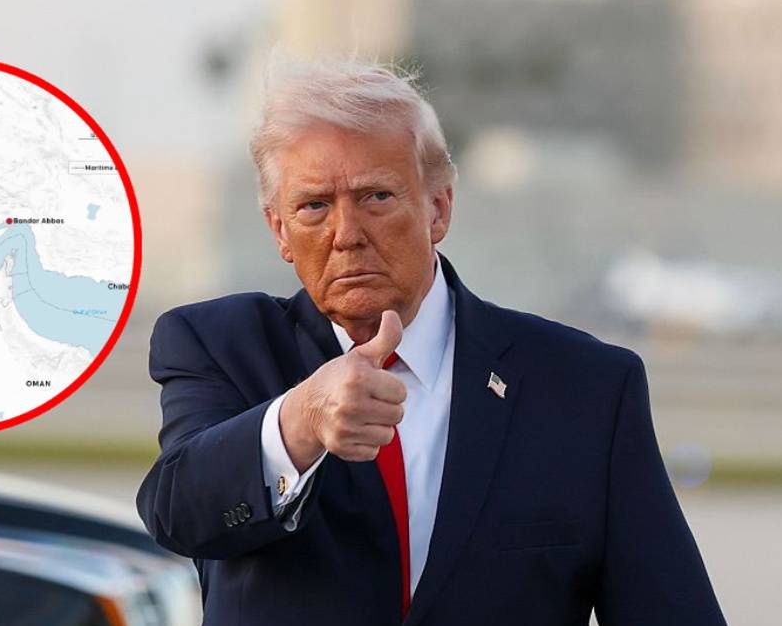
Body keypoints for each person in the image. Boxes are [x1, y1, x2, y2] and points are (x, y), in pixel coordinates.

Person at [136, 57, 726, 625]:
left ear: (438, 208)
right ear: (279, 230)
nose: (346, 235)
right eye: (314, 206)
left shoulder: (585, 388)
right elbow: (179, 513)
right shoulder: (218, 346)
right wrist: (301, 420)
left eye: (376, 197)